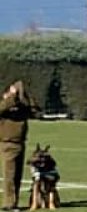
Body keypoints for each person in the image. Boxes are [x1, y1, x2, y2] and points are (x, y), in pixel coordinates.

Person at [0, 81, 34, 212]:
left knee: (17, 176)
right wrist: (11, 97)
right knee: (10, 175)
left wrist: (23, 94)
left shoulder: (21, 108)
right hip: (7, 144)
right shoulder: (4, 106)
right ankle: (9, 204)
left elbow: (34, 108)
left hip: (20, 143)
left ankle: (14, 202)